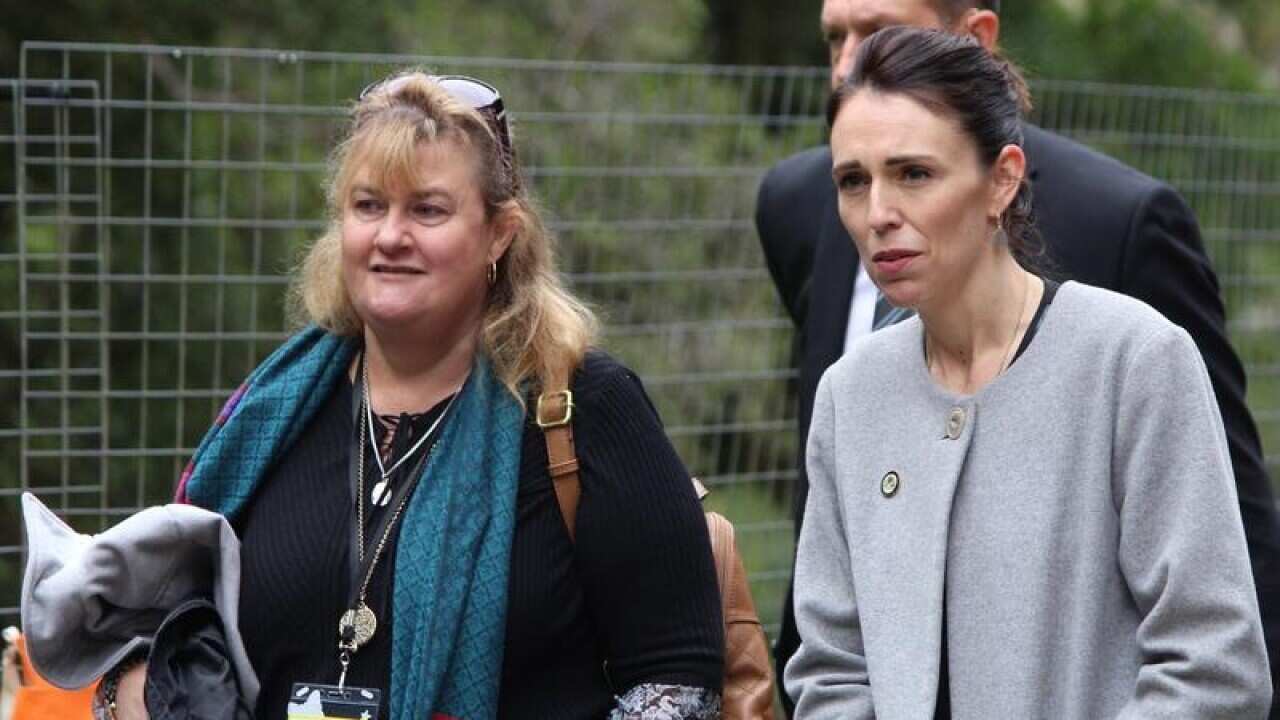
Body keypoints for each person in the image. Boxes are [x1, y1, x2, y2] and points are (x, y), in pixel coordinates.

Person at [102, 70, 725, 720]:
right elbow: (169, 630)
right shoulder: (274, 416)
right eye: (369, 205)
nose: (391, 235)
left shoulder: (585, 407)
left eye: (427, 209)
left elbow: (677, 676)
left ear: (499, 233)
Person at [755, 1, 1280, 711]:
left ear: (1002, 179)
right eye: (854, 180)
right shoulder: (851, 395)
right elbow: (830, 668)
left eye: (913, 173)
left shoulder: (1134, 361)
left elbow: (1215, 666)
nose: (878, 212)